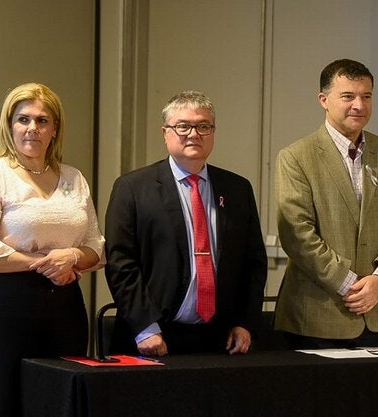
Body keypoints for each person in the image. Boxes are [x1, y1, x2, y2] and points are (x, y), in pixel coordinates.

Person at [0, 82, 105, 417]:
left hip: (66, 310)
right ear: (9, 126)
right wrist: (46, 262)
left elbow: (96, 246)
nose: (32, 128)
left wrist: (73, 257)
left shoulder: (74, 178)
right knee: (7, 405)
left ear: (55, 129)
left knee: (62, 404)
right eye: (23, 119)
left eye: (42, 120)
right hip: (6, 310)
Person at [105, 90, 267, 356]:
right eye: (183, 126)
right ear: (165, 133)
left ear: (213, 132)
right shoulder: (132, 188)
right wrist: (144, 327)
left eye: (203, 126)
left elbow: (254, 262)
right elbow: (120, 263)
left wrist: (245, 322)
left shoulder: (237, 189)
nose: (194, 134)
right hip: (153, 335)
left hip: (221, 340)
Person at [274, 59, 378, 349]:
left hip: (376, 311)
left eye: (366, 96)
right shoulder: (296, 156)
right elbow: (297, 233)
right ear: (323, 100)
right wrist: (348, 283)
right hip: (316, 316)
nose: (359, 106)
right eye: (348, 96)